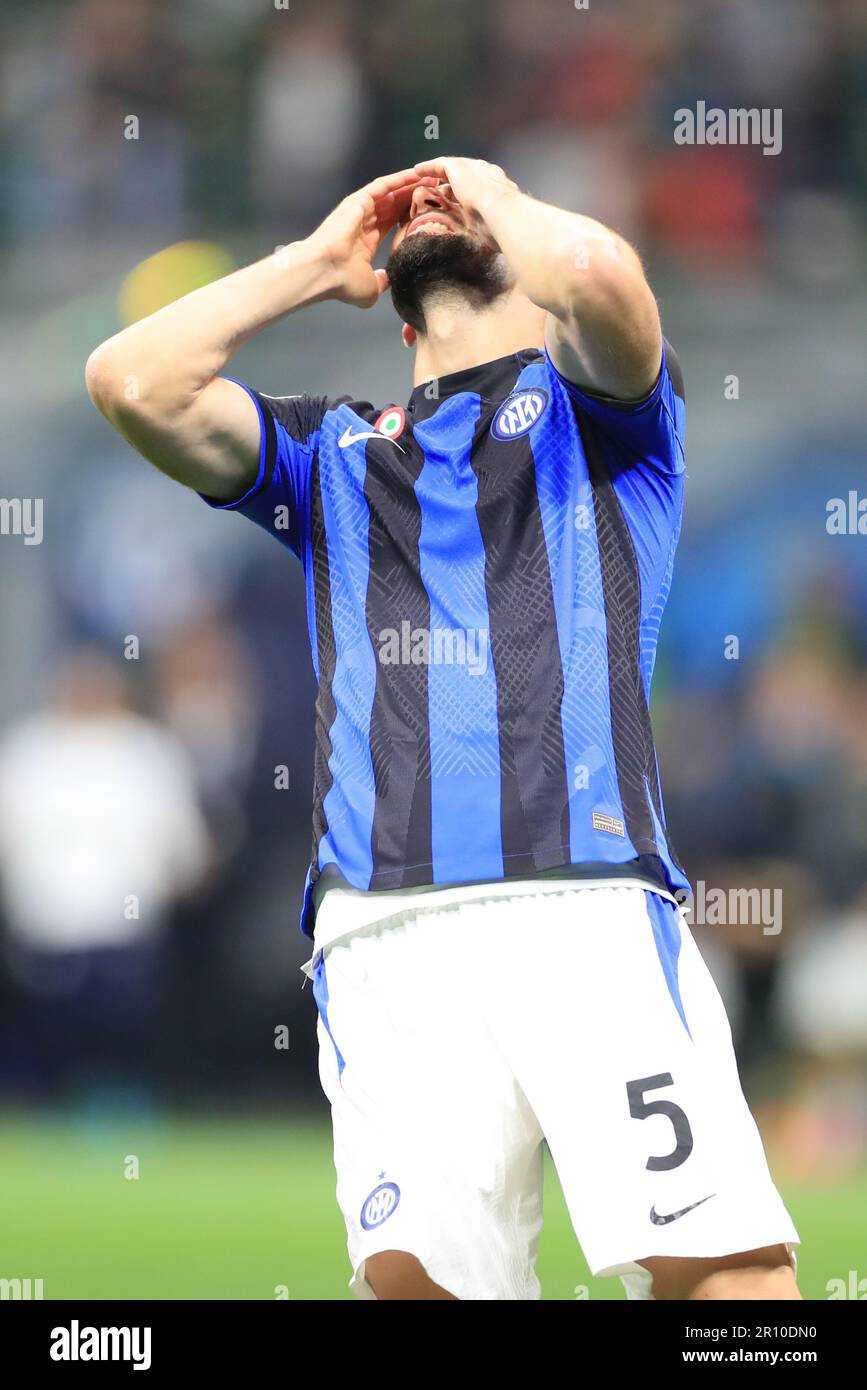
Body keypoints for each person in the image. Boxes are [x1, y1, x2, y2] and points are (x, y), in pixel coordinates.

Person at [86, 157, 799, 1300]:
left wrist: (493, 195)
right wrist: (314, 266)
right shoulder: (331, 454)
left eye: (461, 198)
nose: (436, 201)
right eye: (423, 200)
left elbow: (600, 268)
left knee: (727, 1283)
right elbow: (133, 380)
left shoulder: (606, 419)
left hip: (588, 908)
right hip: (383, 931)